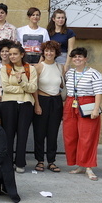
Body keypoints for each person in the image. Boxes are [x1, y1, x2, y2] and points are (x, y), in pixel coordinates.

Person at [63, 47, 102, 181]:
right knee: (71, 136)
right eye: (74, 57)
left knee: (87, 137)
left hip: (87, 103)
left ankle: (89, 167)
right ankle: (79, 164)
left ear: (85, 58)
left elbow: (98, 92)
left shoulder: (94, 73)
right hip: (71, 103)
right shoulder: (70, 73)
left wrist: (96, 109)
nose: (77, 59)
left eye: (80, 56)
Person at [0, 43, 38, 173]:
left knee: (23, 133)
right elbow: (5, 88)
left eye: (15, 54)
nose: (12, 56)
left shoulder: (30, 69)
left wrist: (21, 81)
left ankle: (20, 162)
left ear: (22, 54)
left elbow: (33, 88)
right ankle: (8, 162)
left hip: (26, 104)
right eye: (10, 54)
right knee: (8, 134)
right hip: (8, 104)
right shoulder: (5, 69)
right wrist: (23, 89)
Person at [33, 41, 64, 173]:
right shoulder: (38, 67)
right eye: (46, 51)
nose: (49, 53)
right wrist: (37, 105)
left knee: (53, 133)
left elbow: (61, 85)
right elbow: (34, 87)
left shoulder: (60, 67)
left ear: (56, 53)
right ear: (43, 52)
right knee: (39, 133)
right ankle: (40, 160)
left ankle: (51, 161)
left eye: (52, 51)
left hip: (56, 101)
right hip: (42, 100)